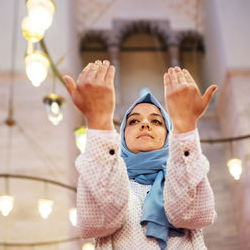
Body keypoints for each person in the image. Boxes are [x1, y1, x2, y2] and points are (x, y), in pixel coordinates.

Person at [63, 60, 217, 250]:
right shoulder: (102, 173)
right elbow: (95, 223)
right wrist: (99, 121)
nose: (145, 124)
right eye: (134, 121)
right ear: (123, 135)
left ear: (168, 134)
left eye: (157, 121)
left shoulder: (185, 172)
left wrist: (185, 128)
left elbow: (194, 216)